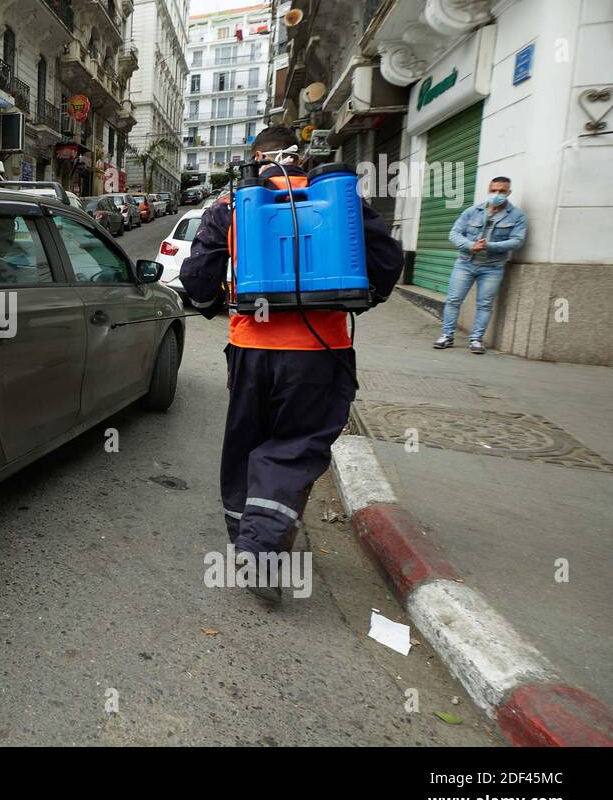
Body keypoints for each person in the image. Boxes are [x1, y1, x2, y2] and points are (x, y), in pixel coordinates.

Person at [179, 127, 404, 603]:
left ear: (254, 158)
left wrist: (206, 303)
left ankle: (247, 537)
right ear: (299, 156)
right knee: (294, 447)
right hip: (320, 352)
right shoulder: (338, 197)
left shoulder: (233, 204)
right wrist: (361, 301)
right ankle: (260, 549)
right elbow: (386, 259)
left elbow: (197, 275)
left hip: (250, 350)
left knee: (248, 442)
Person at [435, 176, 527, 355]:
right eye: (494, 191)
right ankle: (447, 335)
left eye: (502, 191)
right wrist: (470, 245)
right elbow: (454, 234)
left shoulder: (517, 216)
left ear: (509, 192)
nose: (497, 194)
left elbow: (517, 241)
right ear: (489, 190)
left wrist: (489, 246)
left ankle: (476, 339)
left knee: (484, 304)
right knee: (453, 300)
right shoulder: (472, 211)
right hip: (465, 263)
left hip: (493, 267)